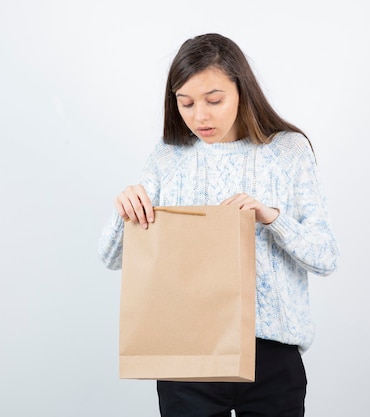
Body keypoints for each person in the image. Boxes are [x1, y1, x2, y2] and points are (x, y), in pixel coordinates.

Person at [98, 33, 339, 417]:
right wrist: (125, 209)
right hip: (187, 356)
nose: (200, 117)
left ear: (242, 91)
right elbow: (110, 258)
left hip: (272, 358)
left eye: (214, 100)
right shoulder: (167, 157)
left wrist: (271, 217)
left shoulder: (289, 151)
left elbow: (326, 256)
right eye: (186, 103)